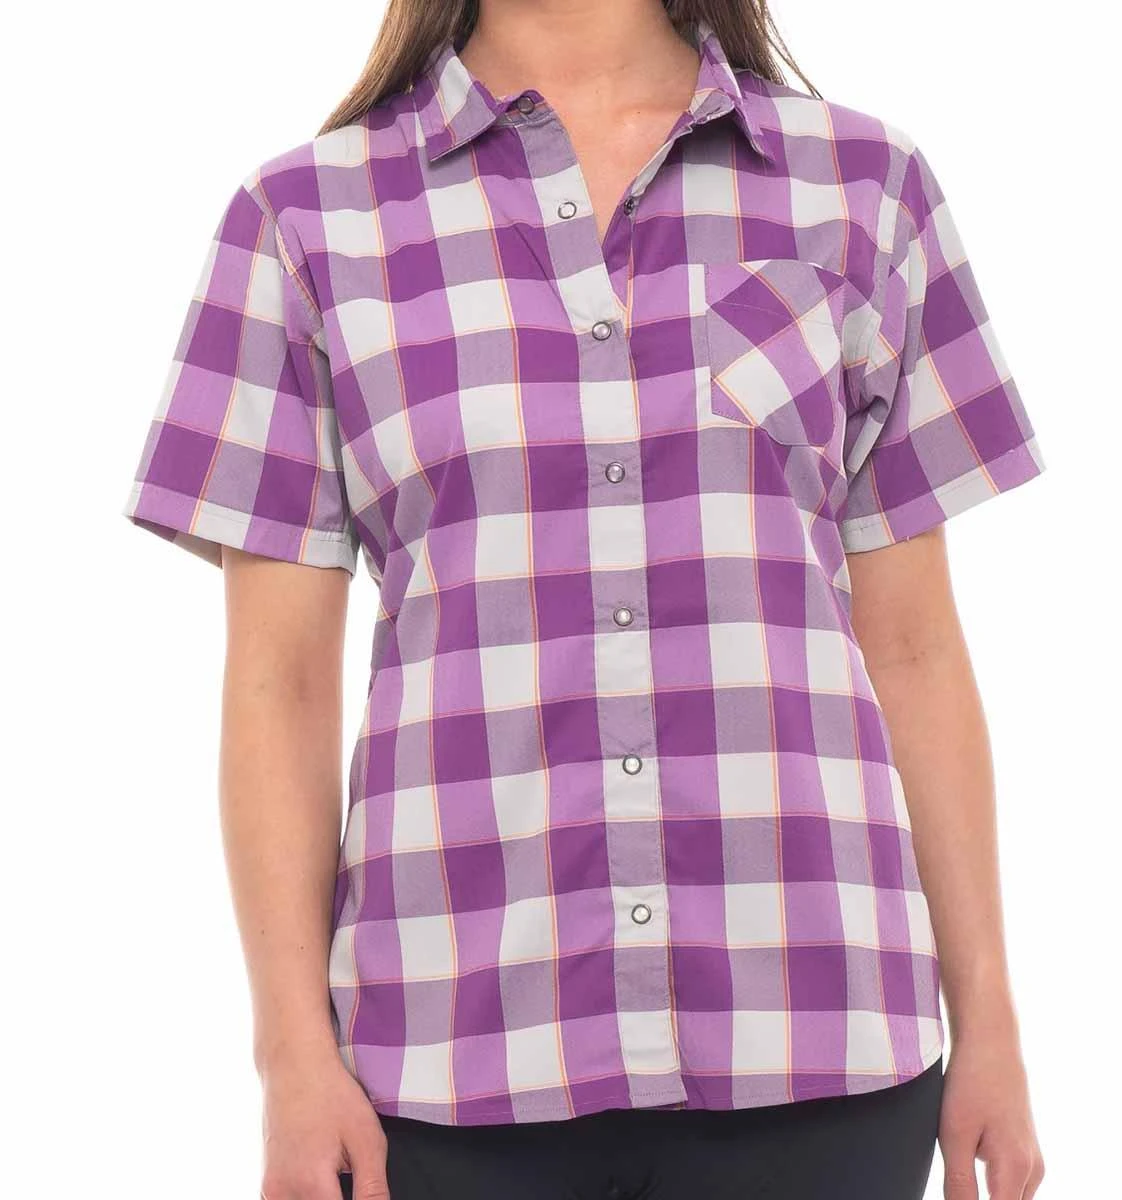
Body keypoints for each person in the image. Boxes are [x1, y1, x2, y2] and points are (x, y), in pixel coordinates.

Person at [120, 0, 1048, 1196]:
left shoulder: (863, 187)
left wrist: (992, 1026)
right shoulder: (304, 222)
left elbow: (915, 648)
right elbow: (278, 683)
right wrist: (291, 1056)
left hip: (818, 1045)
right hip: (452, 1058)